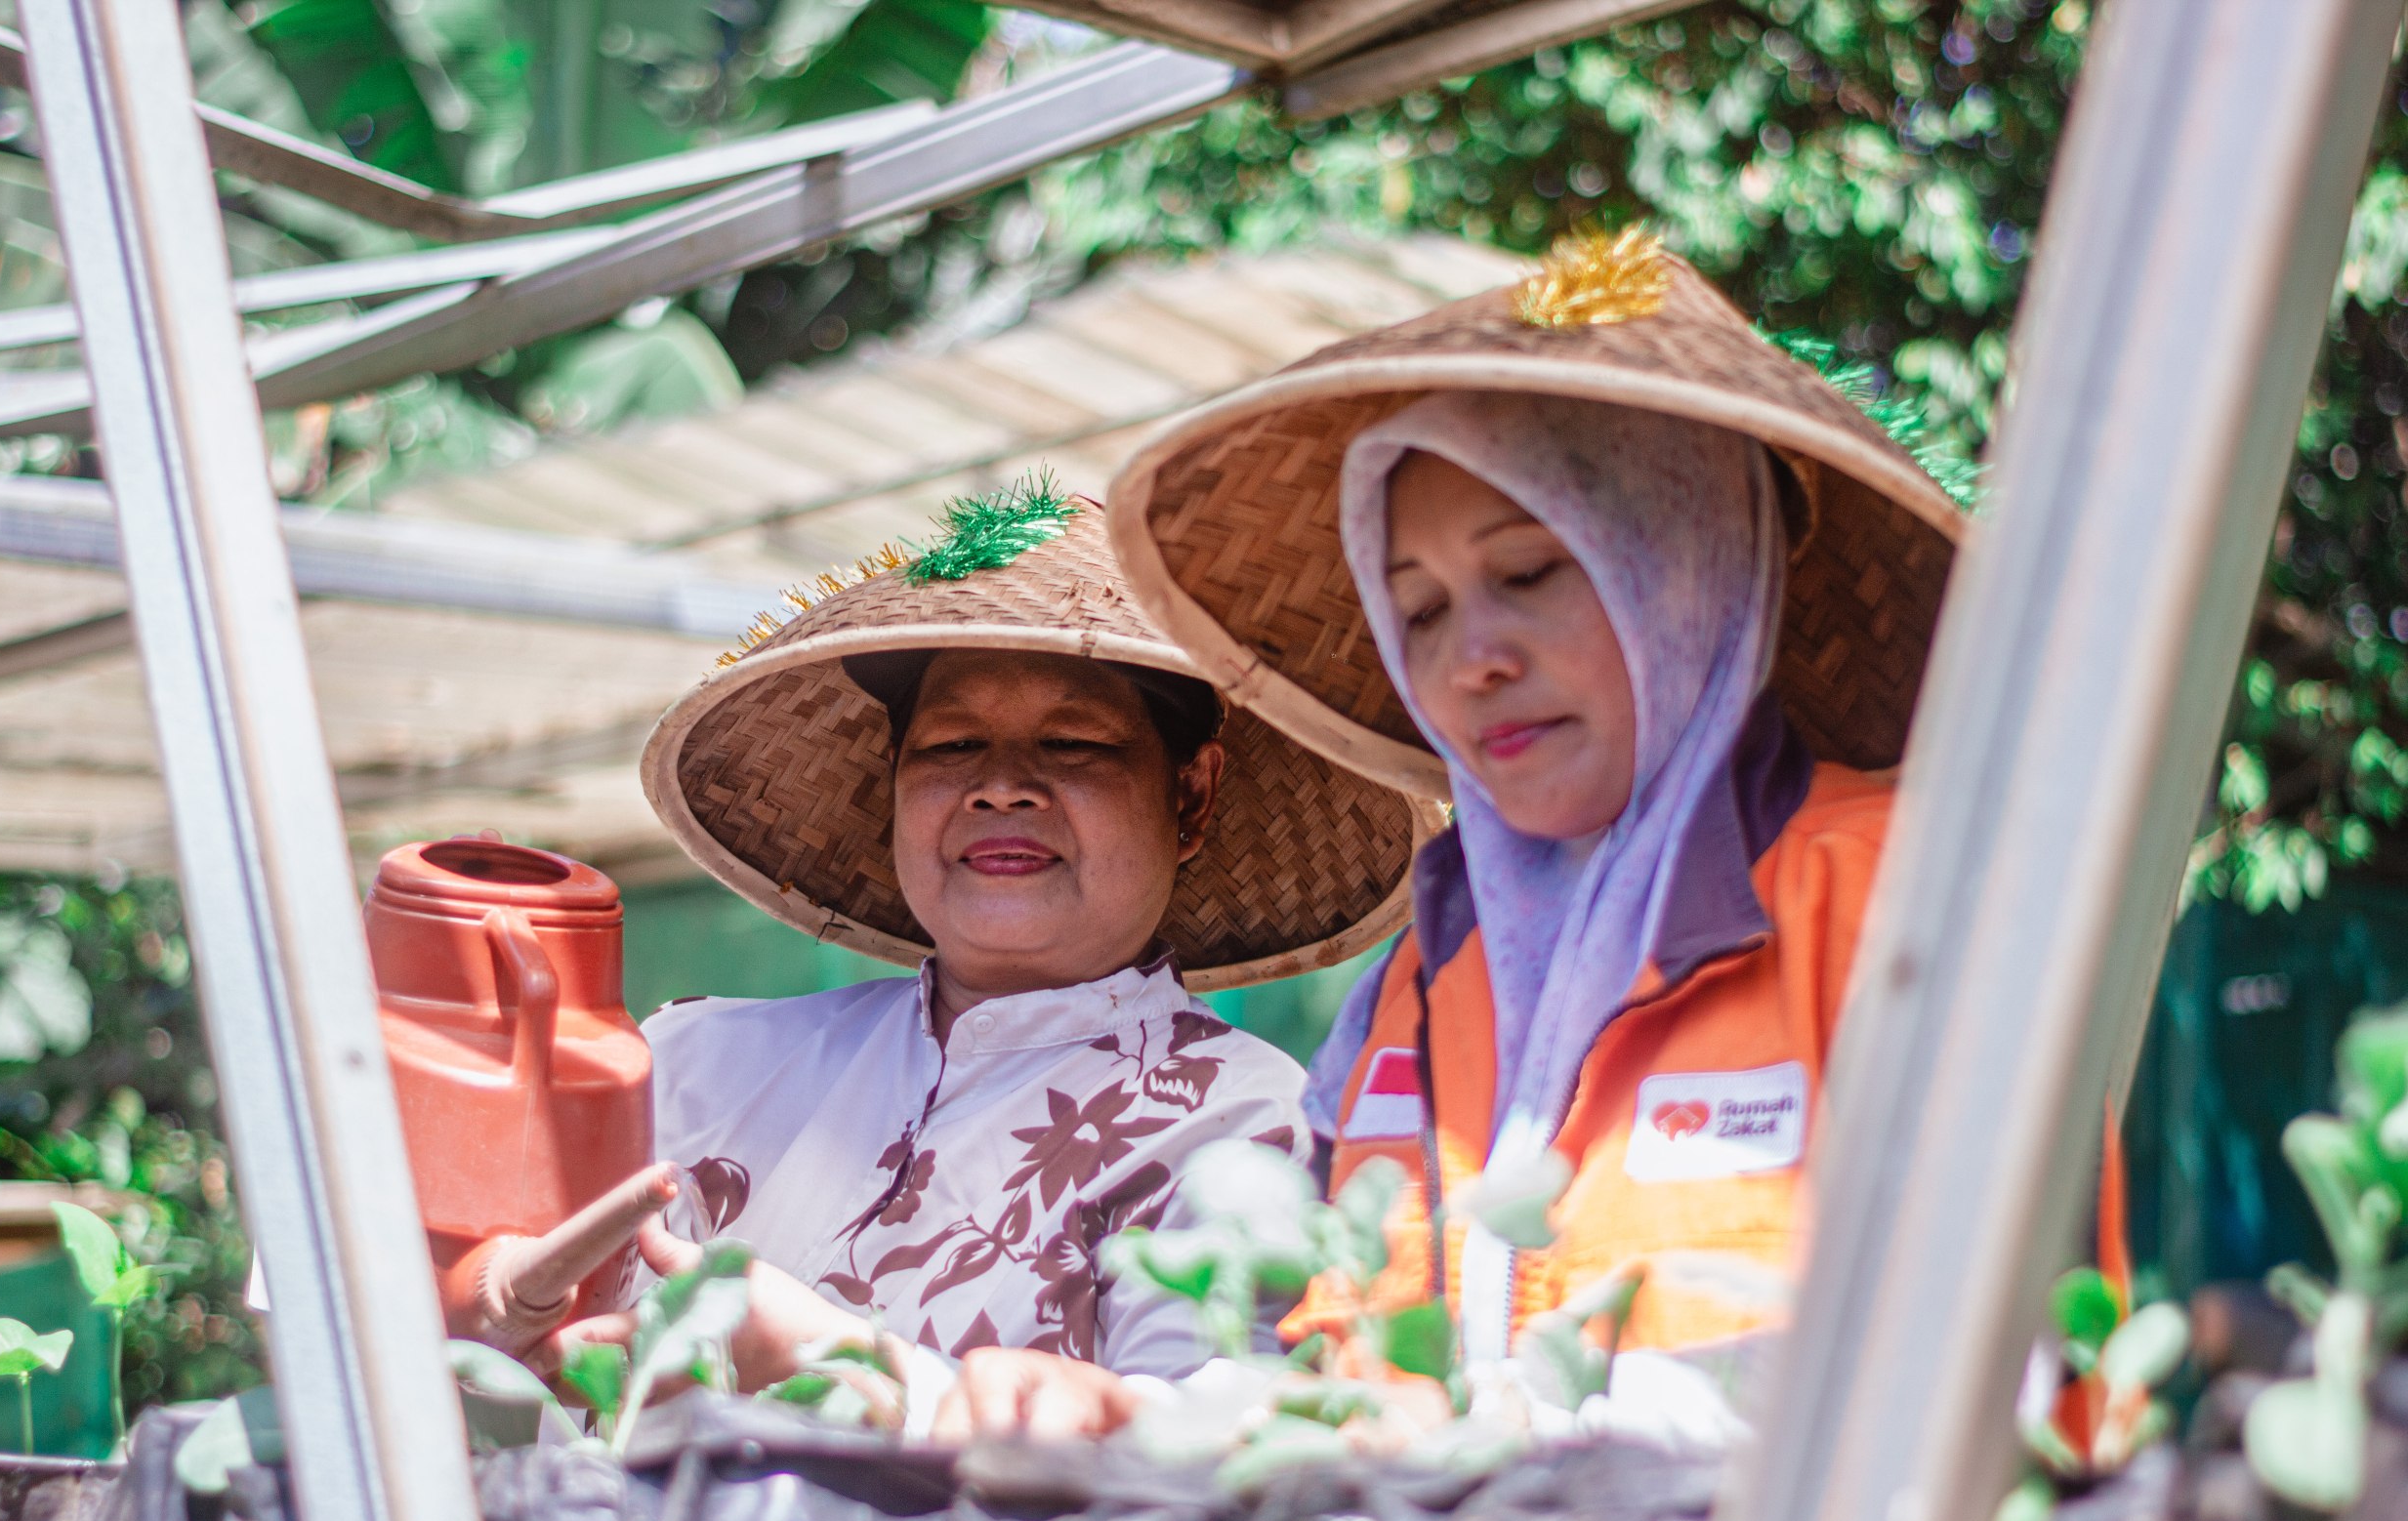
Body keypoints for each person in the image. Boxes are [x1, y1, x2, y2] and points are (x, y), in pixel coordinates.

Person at [1098, 228, 1968, 1384]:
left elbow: (1976, 1359)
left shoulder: (1899, 895)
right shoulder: (1431, 963)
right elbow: (1311, 1347)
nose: (1473, 661)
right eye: (1420, 611)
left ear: (1688, 567)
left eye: (1528, 572)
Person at [531, 488, 1436, 1437]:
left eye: (1073, 742)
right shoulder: (698, 1060)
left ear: (1190, 795)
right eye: (952, 744)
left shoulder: (1247, 1130)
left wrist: (852, 1369)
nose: (1000, 786)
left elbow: (1199, 1466)